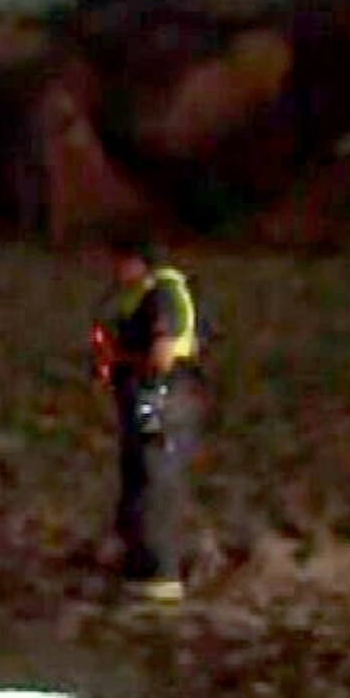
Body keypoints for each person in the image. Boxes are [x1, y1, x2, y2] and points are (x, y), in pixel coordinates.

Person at [91, 237, 208, 604]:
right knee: (138, 472)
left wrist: (131, 370)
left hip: (163, 396)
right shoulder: (135, 296)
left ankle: (162, 575)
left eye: (120, 263)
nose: (114, 272)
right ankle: (133, 563)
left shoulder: (164, 291)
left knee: (157, 476)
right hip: (146, 396)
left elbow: (164, 350)